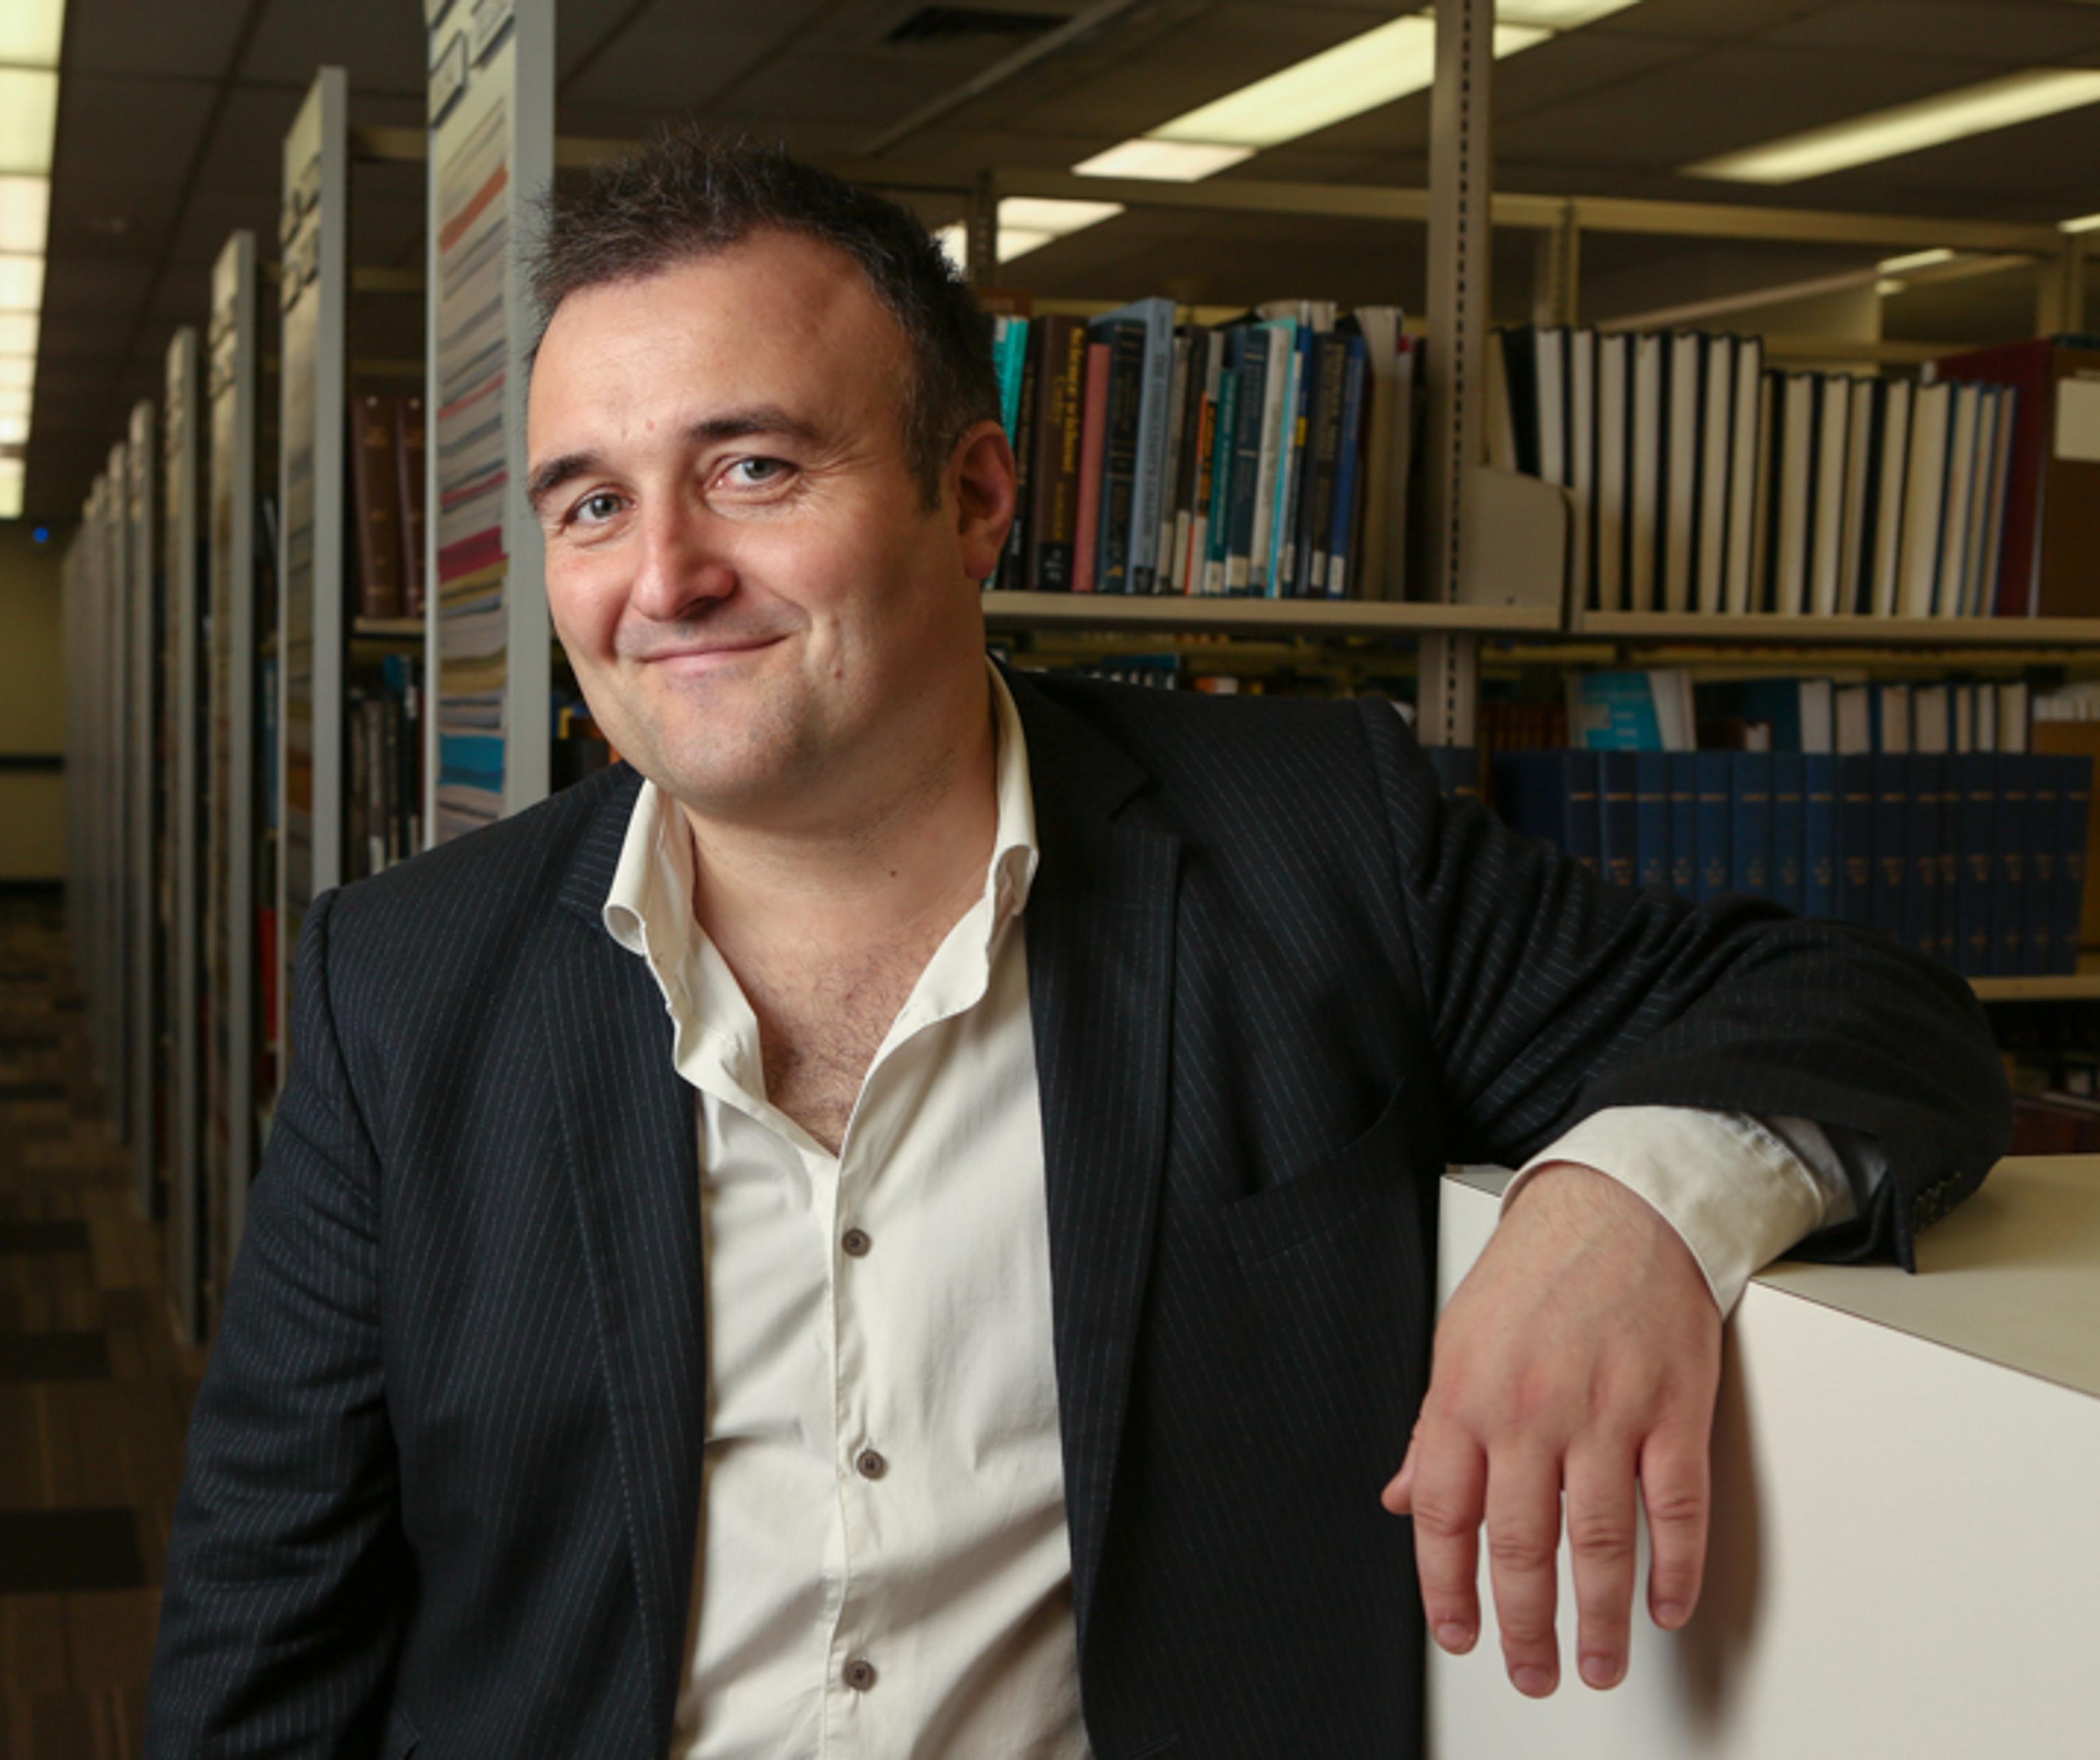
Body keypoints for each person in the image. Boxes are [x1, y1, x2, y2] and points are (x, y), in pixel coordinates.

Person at [146, 133, 2009, 1759]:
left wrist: (1623, 1202)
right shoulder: (407, 984)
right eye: (592, 504)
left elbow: (1871, 1016)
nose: (664, 578)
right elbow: (262, 1631)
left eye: (755, 470)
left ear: (973, 500)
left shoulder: (1308, 846)